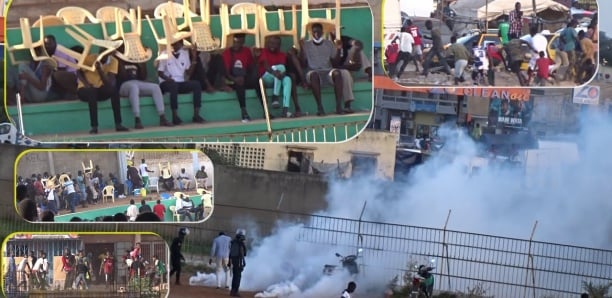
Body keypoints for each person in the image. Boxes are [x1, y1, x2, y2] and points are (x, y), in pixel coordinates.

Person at [299, 23, 355, 116]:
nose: (316, 33)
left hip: (327, 71)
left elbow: (335, 63)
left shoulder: (329, 44)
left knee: (337, 73)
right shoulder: (306, 45)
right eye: (314, 31)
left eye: (318, 31)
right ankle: (320, 107)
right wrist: (301, 48)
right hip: (313, 72)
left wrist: (338, 49)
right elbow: (303, 64)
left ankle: (338, 106)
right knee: (313, 75)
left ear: (322, 32)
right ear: (311, 33)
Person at [116, 49, 172, 128]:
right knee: (134, 87)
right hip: (124, 85)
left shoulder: (135, 62)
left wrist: (143, 62)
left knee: (155, 87)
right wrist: (121, 60)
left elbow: (143, 77)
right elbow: (123, 76)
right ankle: (137, 119)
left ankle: (162, 116)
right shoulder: (118, 62)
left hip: (137, 83)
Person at [76, 50, 129, 134]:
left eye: (105, 52)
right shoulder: (90, 58)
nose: (102, 54)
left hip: (99, 89)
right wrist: (86, 83)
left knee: (114, 91)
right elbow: (78, 71)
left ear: (109, 54)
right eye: (101, 51)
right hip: (84, 90)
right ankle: (94, 127)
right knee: (92, 92)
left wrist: (100, 70)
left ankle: (118, 124)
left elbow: (109, 83)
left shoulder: (113, 61)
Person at [157, 39, 206, 125]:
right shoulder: (165, 53)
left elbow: (188, 73)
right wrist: (167, 78)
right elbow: (160, 72)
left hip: (180, 82)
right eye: (172, 43)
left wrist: (194, 58)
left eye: (176, 44)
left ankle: (196, 115)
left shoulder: (184, 54)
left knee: (196, 84)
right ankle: (175, 116)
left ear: (181, 44)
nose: (174, 45)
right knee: (173, 86)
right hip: (166, 83)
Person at [256, 35, 302, 118]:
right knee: (277, 67)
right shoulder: (264, 52)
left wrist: (280, 73)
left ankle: (285, 110)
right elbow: (266, 66)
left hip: (278, 79)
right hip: (266, 78)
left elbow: (283, 70)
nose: (272, 45)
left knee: (287, 79)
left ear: (279, 45)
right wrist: (275, 72)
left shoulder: (282, 55)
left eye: (275, 44)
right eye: (271, 43)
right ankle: (275, 96)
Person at [221, 34, 263, 122]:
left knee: (258, 82)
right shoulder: (227, 53)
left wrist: (255, 58)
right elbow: (226, 73)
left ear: (243, 42)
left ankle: (266, 111)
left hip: (243, 77)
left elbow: (251, 68)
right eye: (235, 42)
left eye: (240, 42)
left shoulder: (246, 51)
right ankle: (244, 112)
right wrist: (235, 79)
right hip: (231, 79)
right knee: (239, 85)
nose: (237, 44)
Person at [44, 35, 79, 100]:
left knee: (57, 75)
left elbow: (61, 69)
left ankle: (76, 93)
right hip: (66, 75)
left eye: (49, 44)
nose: (47, 46)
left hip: (73, 75)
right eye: (45, 44)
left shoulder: (60, 51)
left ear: (55, 43)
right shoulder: (49, 52)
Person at [229, 229, 247, 297]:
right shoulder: (241, 243)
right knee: (238, 276)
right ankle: (236, 291)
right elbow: (244, 253)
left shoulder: (233, 242)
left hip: (233, 260)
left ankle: (232, 291)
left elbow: (230, 252)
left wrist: (229, 262)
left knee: (235, 275)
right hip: (238, 260)